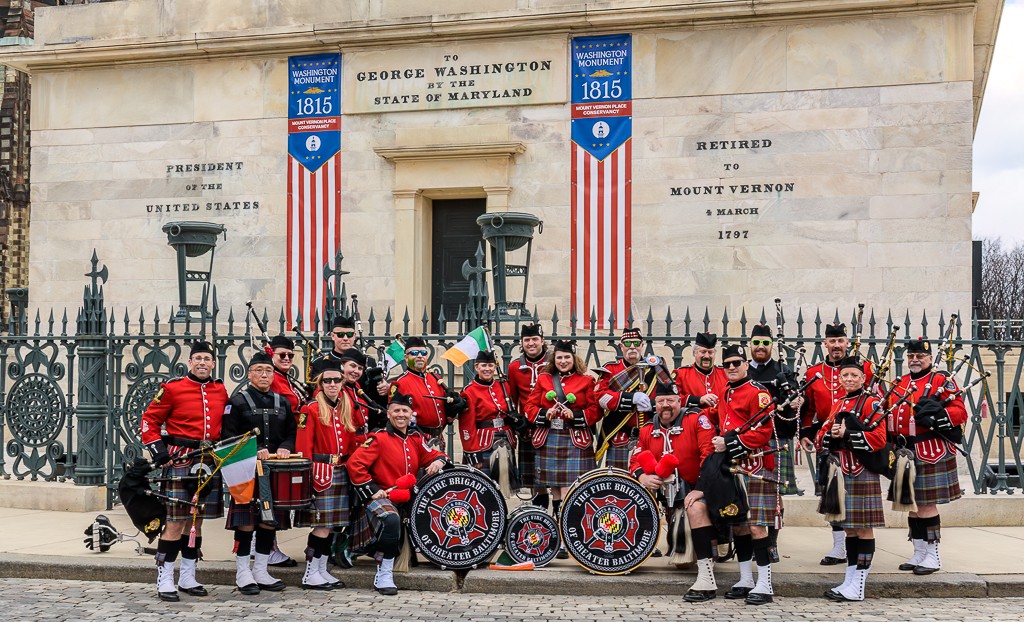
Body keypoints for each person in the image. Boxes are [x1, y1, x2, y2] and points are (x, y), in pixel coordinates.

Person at [140, 340, 229, 602]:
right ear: (190, 362)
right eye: (197, 358)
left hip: (208, 461)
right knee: (176, 522)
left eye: (207, 359)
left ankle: (189, 576)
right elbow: (149, 420)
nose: (202, 363)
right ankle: (165, 577)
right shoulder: (172, 389)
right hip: (180, 459)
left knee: (197, 521)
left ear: (213, 363)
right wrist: (159, 452)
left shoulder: (220, 390)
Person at [347, 391, 448, 595]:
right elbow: (354, 464)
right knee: (391, 519)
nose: (401, 414)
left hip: (407, 499)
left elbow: (436, 454)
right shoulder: (378, 438)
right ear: (389, 413)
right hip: (383, 497)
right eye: (397, 410)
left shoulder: (415, 439)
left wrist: (438, 461)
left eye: (405, 411)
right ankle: (384, 573)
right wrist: (373, 491)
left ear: (412, 414)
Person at [628, 382, 717, 600]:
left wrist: (700, 489)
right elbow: (634, 460)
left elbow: (710, 456)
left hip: (701, 488)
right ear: (654, 404)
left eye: (671, 401)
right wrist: (643, 477)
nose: (666, 405)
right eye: (660, 401)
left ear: (679, 402)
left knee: (695, 509)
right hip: (667, 494)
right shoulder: (648, 429)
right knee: (683, 563)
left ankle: (707, 577)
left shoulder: (697, 420)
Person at [886, 337, 967, 575]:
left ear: (930, 358)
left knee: (926, 506)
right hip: (904, 452)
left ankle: (933, 556)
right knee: (911, 506)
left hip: (929, 451)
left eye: (920, 356)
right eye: (911, 356)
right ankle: (919, 552)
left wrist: (936, 415)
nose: (915, 360)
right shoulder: (899, 383)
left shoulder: (942, 381)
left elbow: (960, 411)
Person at [221, 351, 297, 595]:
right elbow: (228, 437)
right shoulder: (237, 402)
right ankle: (243, 572)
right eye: (259, 371)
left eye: (268, 371)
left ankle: (261, 570)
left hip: (275, 471)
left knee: (268, 521)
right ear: (250, 374)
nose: (264, 375)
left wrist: (285, 448)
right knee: (246, 523)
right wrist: (256, 449)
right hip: (247, 470)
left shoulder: (282, 401)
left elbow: (292, 433)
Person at [799, 322, 874, 565]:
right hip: (828, 438)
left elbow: (875, 402)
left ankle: (855, 543)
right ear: (825, 344)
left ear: (847, 343)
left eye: (840, 341)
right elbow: (809, 409)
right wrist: (805, 432)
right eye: (832, 341)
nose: (836, 345)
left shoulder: (865, 369)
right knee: (832, 494)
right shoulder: (814, 373)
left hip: (856, 438)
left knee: (855, 495)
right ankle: (839, 546)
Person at [814, 356, 887, 602]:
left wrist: (849, 433)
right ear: (839, 379)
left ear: (863, 378)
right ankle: (850, 579)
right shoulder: (839, 403)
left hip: (861, 470)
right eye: (845, 375)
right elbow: (821, 435)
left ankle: (859, 585)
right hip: (841, 473)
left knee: (863, 530)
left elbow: (879, 439)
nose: (849, 379)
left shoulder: (872, 402)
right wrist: (831, 434)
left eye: (854, 375)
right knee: (850, 531)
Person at [713, 344, 778, 606]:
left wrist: (729, 443)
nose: (731, 367)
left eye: (736, 363)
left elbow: (763, 432)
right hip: (733, 466)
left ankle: (765, 582)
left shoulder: (757, 393)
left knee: (757, 525)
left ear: (746, 364)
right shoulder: (726, 391)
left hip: (755, 464)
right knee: (738, 522)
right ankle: (745, 579)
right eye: (727, 363)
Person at [524, 339, 600, 557]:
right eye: (559, 357)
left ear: (574, 359)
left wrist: (575, 415)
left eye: (567, 357)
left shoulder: (586, 381)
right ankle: (559, 535)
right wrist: (543, 414)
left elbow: (595, 411)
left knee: (569, 489)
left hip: (574, 438)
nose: (563, 361)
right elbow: (530, 406)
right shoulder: (544, 378)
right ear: (554, 359)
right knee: (555, 490)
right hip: (549, 437)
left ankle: (567, 537)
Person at [295, 360, 354, 590]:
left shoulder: (344, 406)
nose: (332, 384)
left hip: (340, 470)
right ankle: (310, 573)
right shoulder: (310, 408)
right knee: (321, 525)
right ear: (320, 383)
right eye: (327, 380)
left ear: (342, 382)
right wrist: (307, 477)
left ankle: (321, 570)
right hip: (320, 473)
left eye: (336, 380)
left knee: (331, 526)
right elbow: (303, 447)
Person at [746, 324, 803, 496]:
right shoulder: (743, 370)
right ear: (750, 344)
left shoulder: (783, 370)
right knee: (750, 491)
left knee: (777, 493)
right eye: (756, 342)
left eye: (765, 342)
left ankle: (776, 523)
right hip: (748, 438)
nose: (761, 346)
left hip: (777, 436)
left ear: (772, 345)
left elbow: (797, 395)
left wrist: (800, 400)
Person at [594, 327, 662, 470]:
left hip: (650, 431)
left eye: (636, 343)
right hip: (619, 431)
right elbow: (600, 397)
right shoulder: (610, 369)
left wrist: (652, 405)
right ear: (621, 346)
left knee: (648, 476)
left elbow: (670, 396)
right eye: (627, 343)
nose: (632, 347)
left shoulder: (656, 367)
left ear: (642, 346)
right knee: (619, 479)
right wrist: (630, 398)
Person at [458, 350, 520, 495]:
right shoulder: (469, 391)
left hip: (505, 439)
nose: (487, 369)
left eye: (491, 365)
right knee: (482, 486)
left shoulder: (503, 386)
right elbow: (467, 425)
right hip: (482, 443)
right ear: (476, 367)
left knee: (501, 486)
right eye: (483, 366)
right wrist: (473, 453)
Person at [388, 336, 466, 449]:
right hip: (415, 440)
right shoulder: (399, 383)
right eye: (414, 353)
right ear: (406, 357)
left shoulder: (435, 378)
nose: (420, 356)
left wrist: (452, 411)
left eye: (423, 353)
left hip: (438, 438)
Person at [310, 315, 389, 424]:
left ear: (355, 336)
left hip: (364, 420)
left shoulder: (368, 361)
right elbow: (315, 396)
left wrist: (383, 389)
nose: (345, 338)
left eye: (350, 334)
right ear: (332, 336)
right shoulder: (319, 363)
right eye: (340, 334)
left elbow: (374, 396)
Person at [506, 323, 550, 509]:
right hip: (528, 429)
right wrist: (516, 421)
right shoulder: (515, 367)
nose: (531, 343)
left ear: (542, 340)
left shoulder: (555, 362)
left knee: (554, 478)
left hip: (550, 427)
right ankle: (538, 514)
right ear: (521, 343)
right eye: (527, 340)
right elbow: (512, 398)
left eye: (534, 339)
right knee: (534, 481)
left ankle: (556, 514)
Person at [673, 332, 728, 423]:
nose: (707, 356)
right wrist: (699, 400)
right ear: (694, 353)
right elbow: (673, 398)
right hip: (692, 423)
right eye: (703, 352)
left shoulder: (724, 373)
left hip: (721, 423)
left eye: (710, 352)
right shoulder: (681, 373)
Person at [337, 348, 380, 447]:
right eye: (352, 366)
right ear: (342, 365)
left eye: (360, 368)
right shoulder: (336, 388)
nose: (356, 371)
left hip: (360, 441)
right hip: (347, 443)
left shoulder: (356, 387)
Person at [268, 334, 305, 412]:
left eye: (290, 355)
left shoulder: (285, 377)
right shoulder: (270, 378)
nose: (287, 358)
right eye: (282, 355)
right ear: (272, 355)